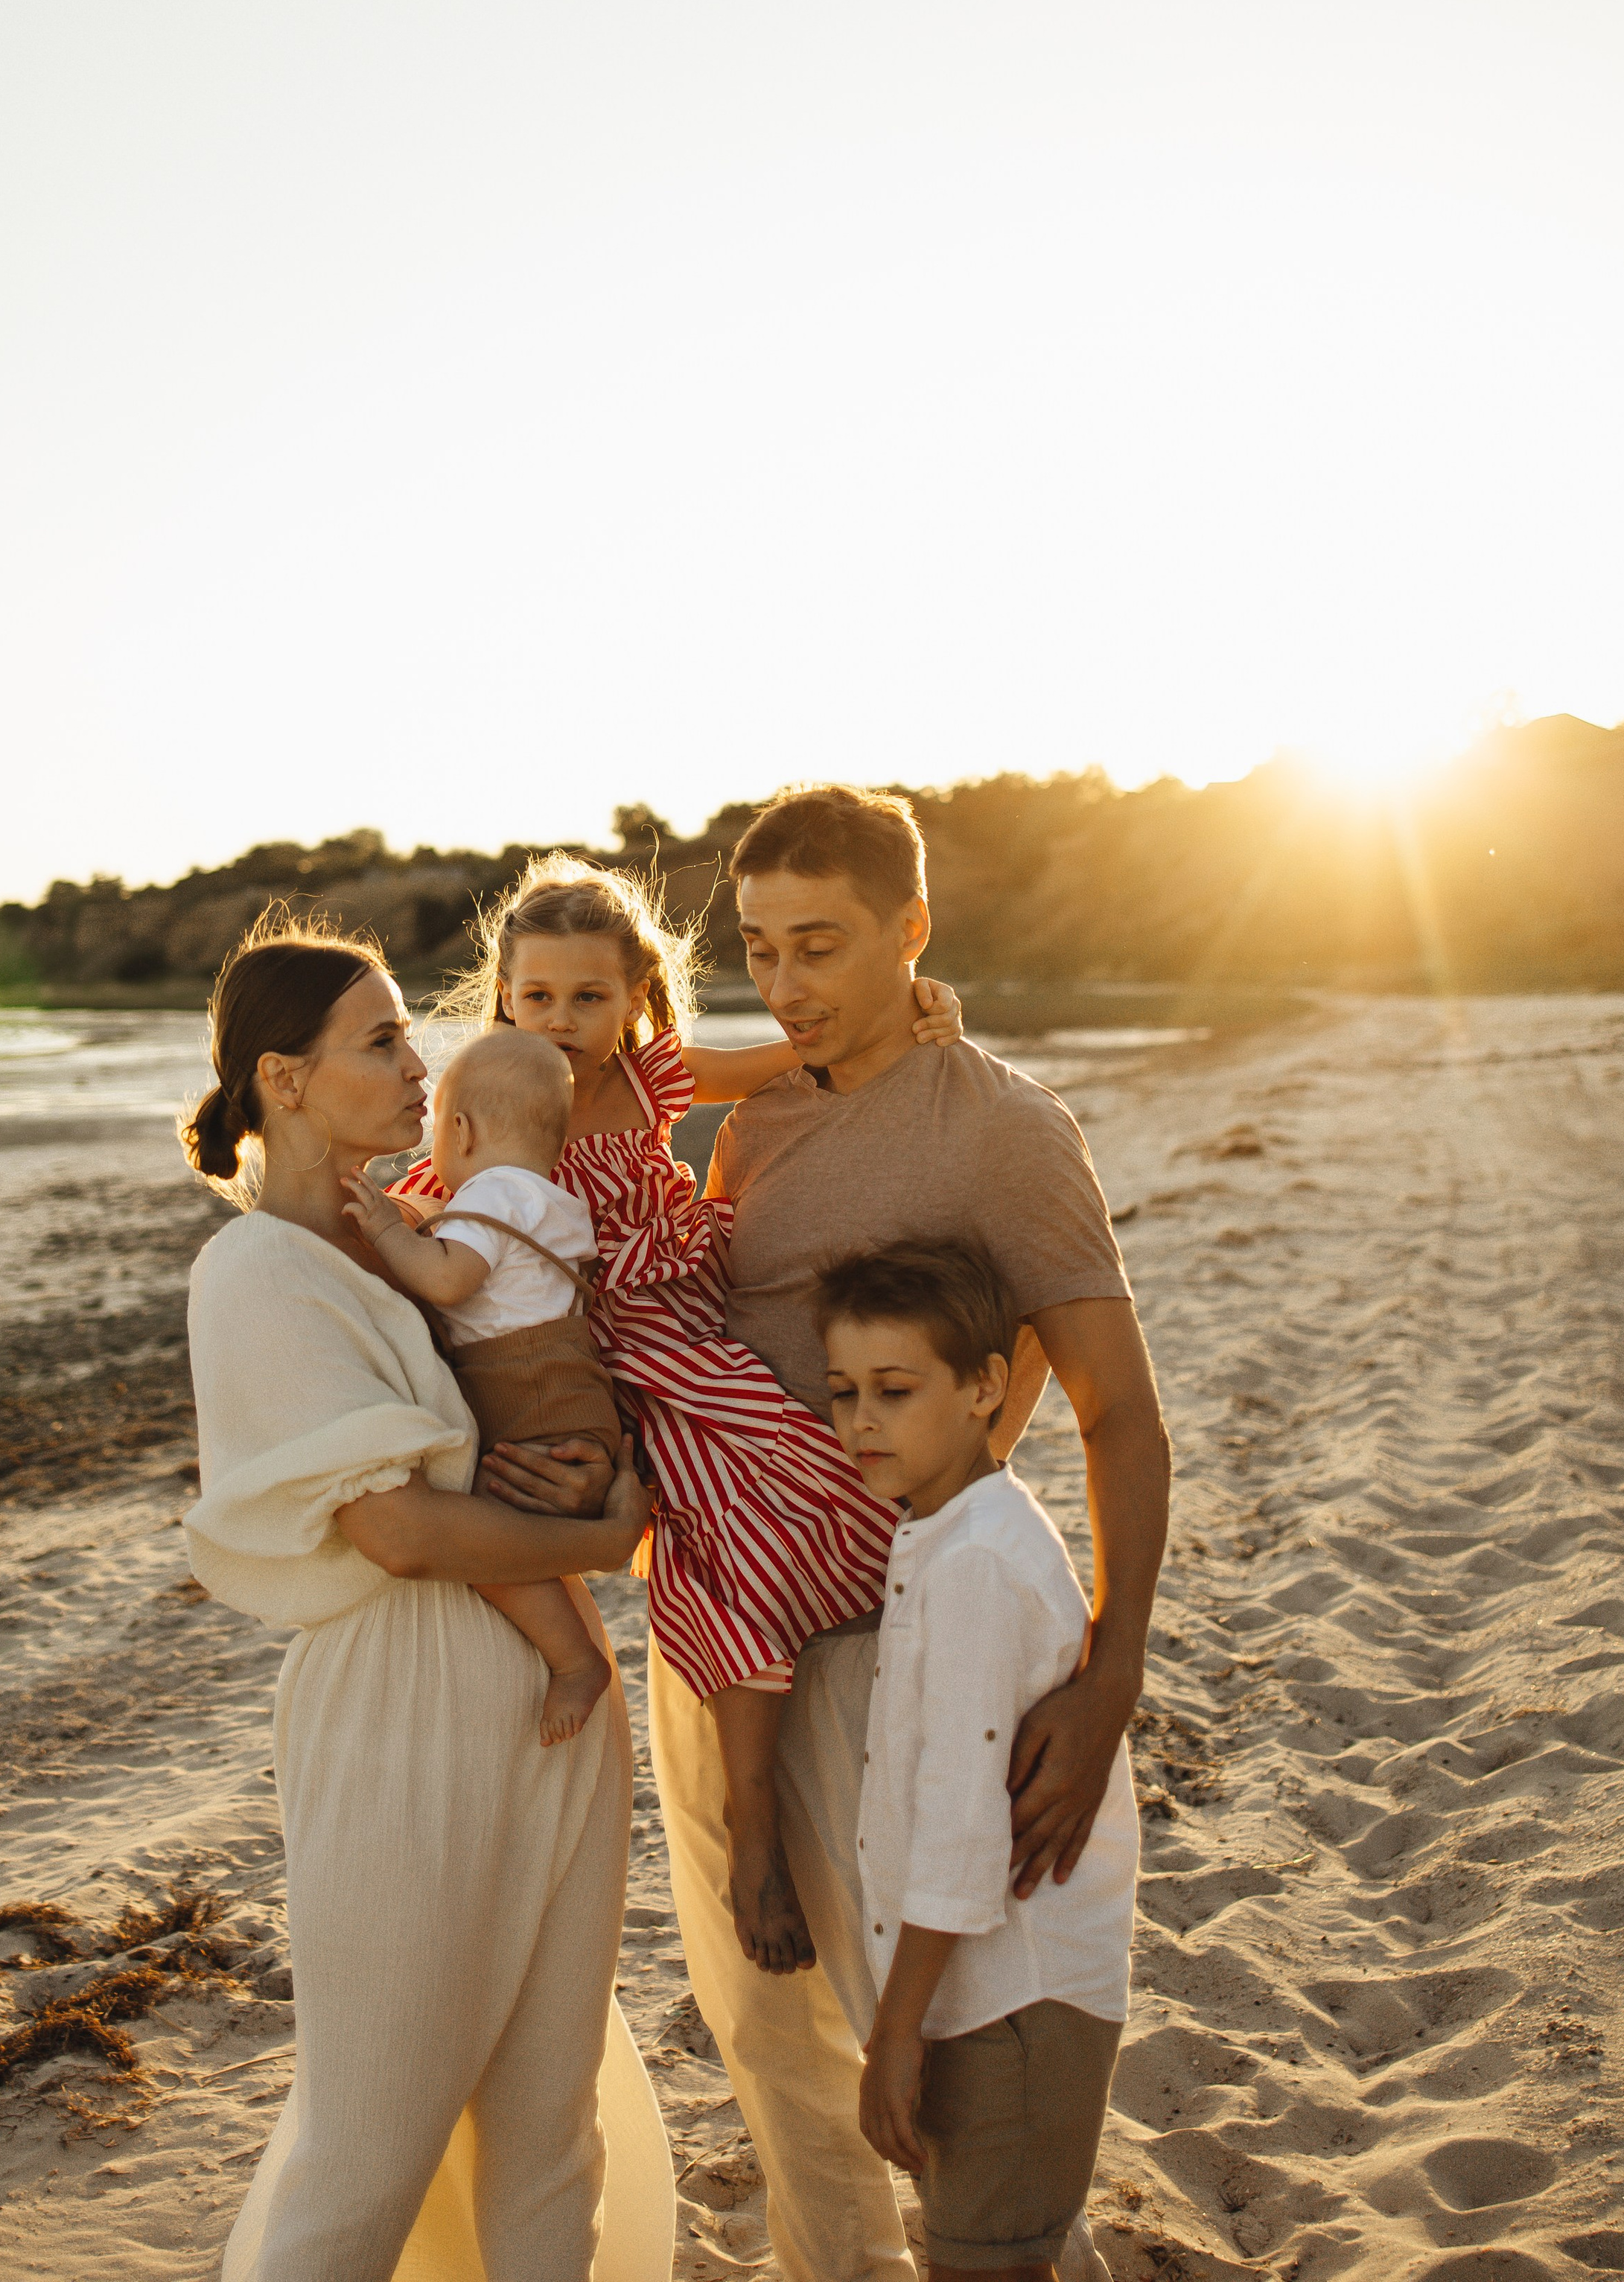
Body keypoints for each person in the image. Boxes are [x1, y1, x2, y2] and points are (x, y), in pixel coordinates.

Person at [485, 788, 1168, 2282]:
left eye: (823, 948)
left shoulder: (999, 1127)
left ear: (910, 933)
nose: (787, 988)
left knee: (921, 2031)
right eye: (761, 951)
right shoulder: (757, 1120)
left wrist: (1112, 1670)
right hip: (715, 1621)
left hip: (880, 1636)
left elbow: (1116, 1408)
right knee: (763, 2032)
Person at [176, 913, 675, 2282]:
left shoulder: (422, 1235)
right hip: (398, 1723)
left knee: (549, 2128)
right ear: (284, 1080)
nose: (420, 1066)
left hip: (559, 1717)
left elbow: (533, 1417)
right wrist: (607, 1530)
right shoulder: (255, 1273)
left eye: (411, 1038)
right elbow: (395, 1530)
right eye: (384, 1040)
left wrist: (594, 1487)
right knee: (371, 2141)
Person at [397, 852, 964, 1975]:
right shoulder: (503, 1102)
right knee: (726, 1526)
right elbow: (435, 1199)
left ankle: (865, 1724)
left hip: (695, 1332)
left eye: (589, 997)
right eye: (537, 996)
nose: (560, 1021)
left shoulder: (650, 1080)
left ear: (636, 996)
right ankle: (755, 1830)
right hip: (599, 1358)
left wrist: (912, 1013)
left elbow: (784, 1060)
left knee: (831, 1482)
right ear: (503, 993)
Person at [818, 1238, 1137, 2282]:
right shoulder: (946, 1534)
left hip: (1014, 2005)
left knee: (984, 2261)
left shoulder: (977, 1568)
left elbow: (962, 1825)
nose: (862, 1419)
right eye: (843, 1391)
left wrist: (895, 2032)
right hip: (985, 1998)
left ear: (986, 1387)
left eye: (895, 1390)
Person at [343, 1024, 620, 1747]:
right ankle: (572, 1645)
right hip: (571, 1392)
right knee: (519, 1526)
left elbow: (448, 1278)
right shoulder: (551, 1201)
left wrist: (386, 1230)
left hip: (522, 1389)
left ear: (459, 1130)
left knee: (486, 1538)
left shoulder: (492, 1194)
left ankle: (572, 1661)